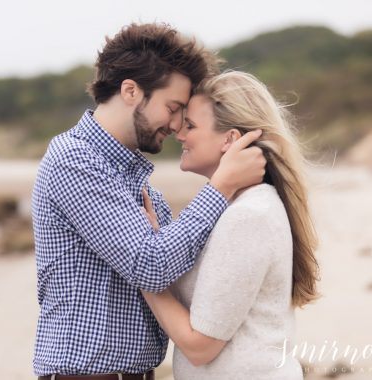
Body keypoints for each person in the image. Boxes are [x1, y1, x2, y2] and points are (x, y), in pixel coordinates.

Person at [31, 24, 266, 379]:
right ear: (130, 91)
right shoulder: (73, 159)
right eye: (172, 107)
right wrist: (222, 186)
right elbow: (151, 265)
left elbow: (175, 272)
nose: (176, 125)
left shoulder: (140, 185)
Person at [141, 71, 320, 379]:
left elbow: (201, 347)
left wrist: (141, 271)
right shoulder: (230, 209)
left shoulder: (249, 216)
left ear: (231, 139)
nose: (179, 134)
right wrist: (155, 244)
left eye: (191, 125)